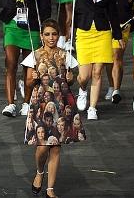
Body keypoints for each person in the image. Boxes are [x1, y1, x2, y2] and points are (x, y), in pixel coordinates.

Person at [24, 19, 83, 198]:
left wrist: (71, 78)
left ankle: (50, 189)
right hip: (40, 104)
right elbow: (28, 83)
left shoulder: (66, 55)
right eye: (47, 34)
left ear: (59, 36)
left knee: (56, 147)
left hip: (62, 104)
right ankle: (40, 172)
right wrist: (32, 78)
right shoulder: (34, 56)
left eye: (55, 34)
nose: (51, 38)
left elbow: (72, 80)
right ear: (41, 36)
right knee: (42, 147)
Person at [66, 0, 123, 120]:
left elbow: (113, 12)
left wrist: (117, 35)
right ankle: (82, 90)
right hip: (84, 33)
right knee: (84, 76)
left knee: (97, 72)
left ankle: (92, 108)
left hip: (102, 32)